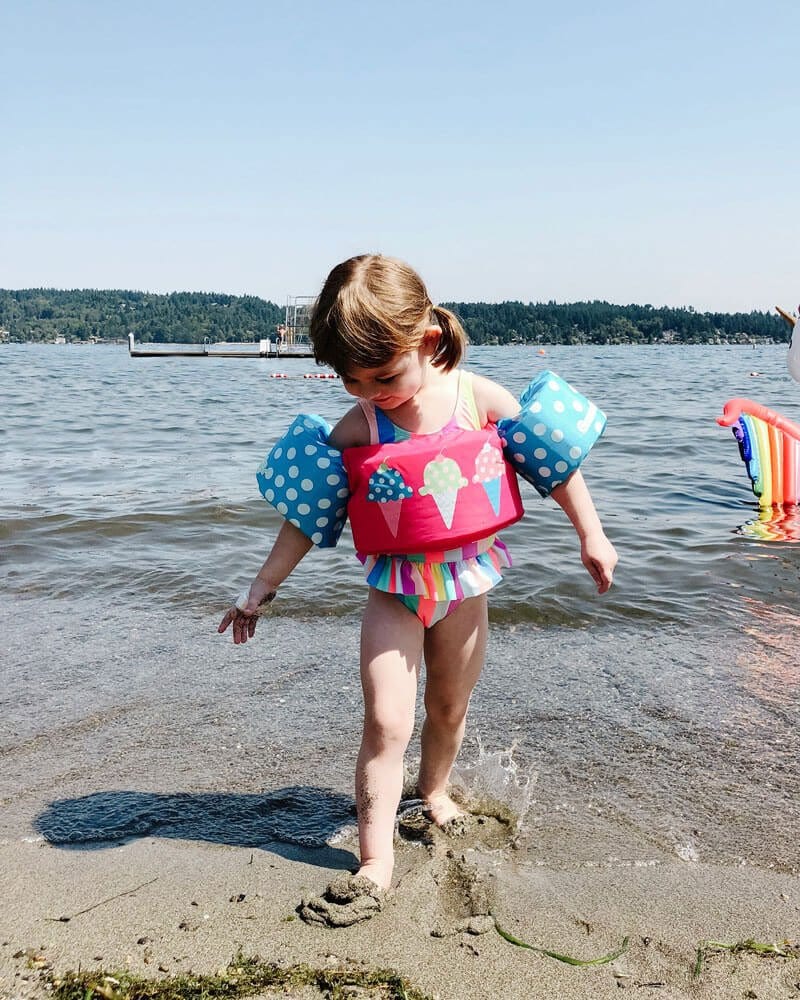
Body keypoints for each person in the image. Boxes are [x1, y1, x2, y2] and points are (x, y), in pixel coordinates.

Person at [218, 254, 617, 916]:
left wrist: (591, 534)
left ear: (427, 341)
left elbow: (556, 463)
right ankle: (375, 861)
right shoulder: (360, 428)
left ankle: (433, 792)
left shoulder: (477, 398)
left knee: (449, 709)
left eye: (384, 376)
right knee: (385, 721)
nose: (372, 392)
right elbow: (305, 517)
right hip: (394, 591)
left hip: (465, 583)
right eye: (351, 380)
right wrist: (261, 587)